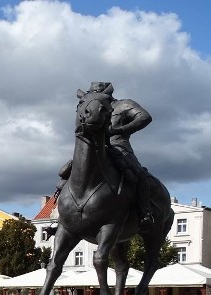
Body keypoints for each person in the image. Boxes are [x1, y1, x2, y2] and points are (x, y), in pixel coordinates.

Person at [56, 81, 155, 228]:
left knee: (138, 174)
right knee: (69, 172)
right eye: (91, 94)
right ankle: (63, 217)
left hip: (118, 145)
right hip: (92, 146)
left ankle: (144, 213)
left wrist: (120, 130)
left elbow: (144, 117)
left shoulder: (124, 104)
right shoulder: (88, 105)